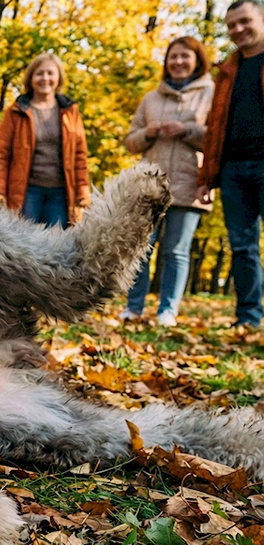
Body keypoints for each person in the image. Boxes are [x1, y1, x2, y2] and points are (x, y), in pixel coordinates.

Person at [121, 36, 215, 327]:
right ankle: (133, 308)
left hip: (189, 182)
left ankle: (168, 311)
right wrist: (148, 133)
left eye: (185, 56)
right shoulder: (151, 98)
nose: (178, 62)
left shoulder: (211, 93)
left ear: (197, 60)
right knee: (141, 248)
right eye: (173, 56)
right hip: (150, 186)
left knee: (176, 250)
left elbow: (217, 140)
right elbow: (130, 142)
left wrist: (187, 129)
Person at [197, 0, 264, 328]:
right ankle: (249, 318)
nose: (238, 29)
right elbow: (214, 127)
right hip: (235, 170)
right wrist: (206, 177)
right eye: (232, 25)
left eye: (245, 21)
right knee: (242, 248)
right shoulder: (226, 72)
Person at [0, 53, 91, 228]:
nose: (45, 78)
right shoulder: (16, 111)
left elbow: (80, 154)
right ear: (31, 78)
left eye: (50, 73)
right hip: (26, 191)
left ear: (59, 78)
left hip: (60, 193)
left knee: (57, 245)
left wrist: (82, 190)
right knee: (24, 244)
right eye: (39, 73)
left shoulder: (70, 111)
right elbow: (1, 154)